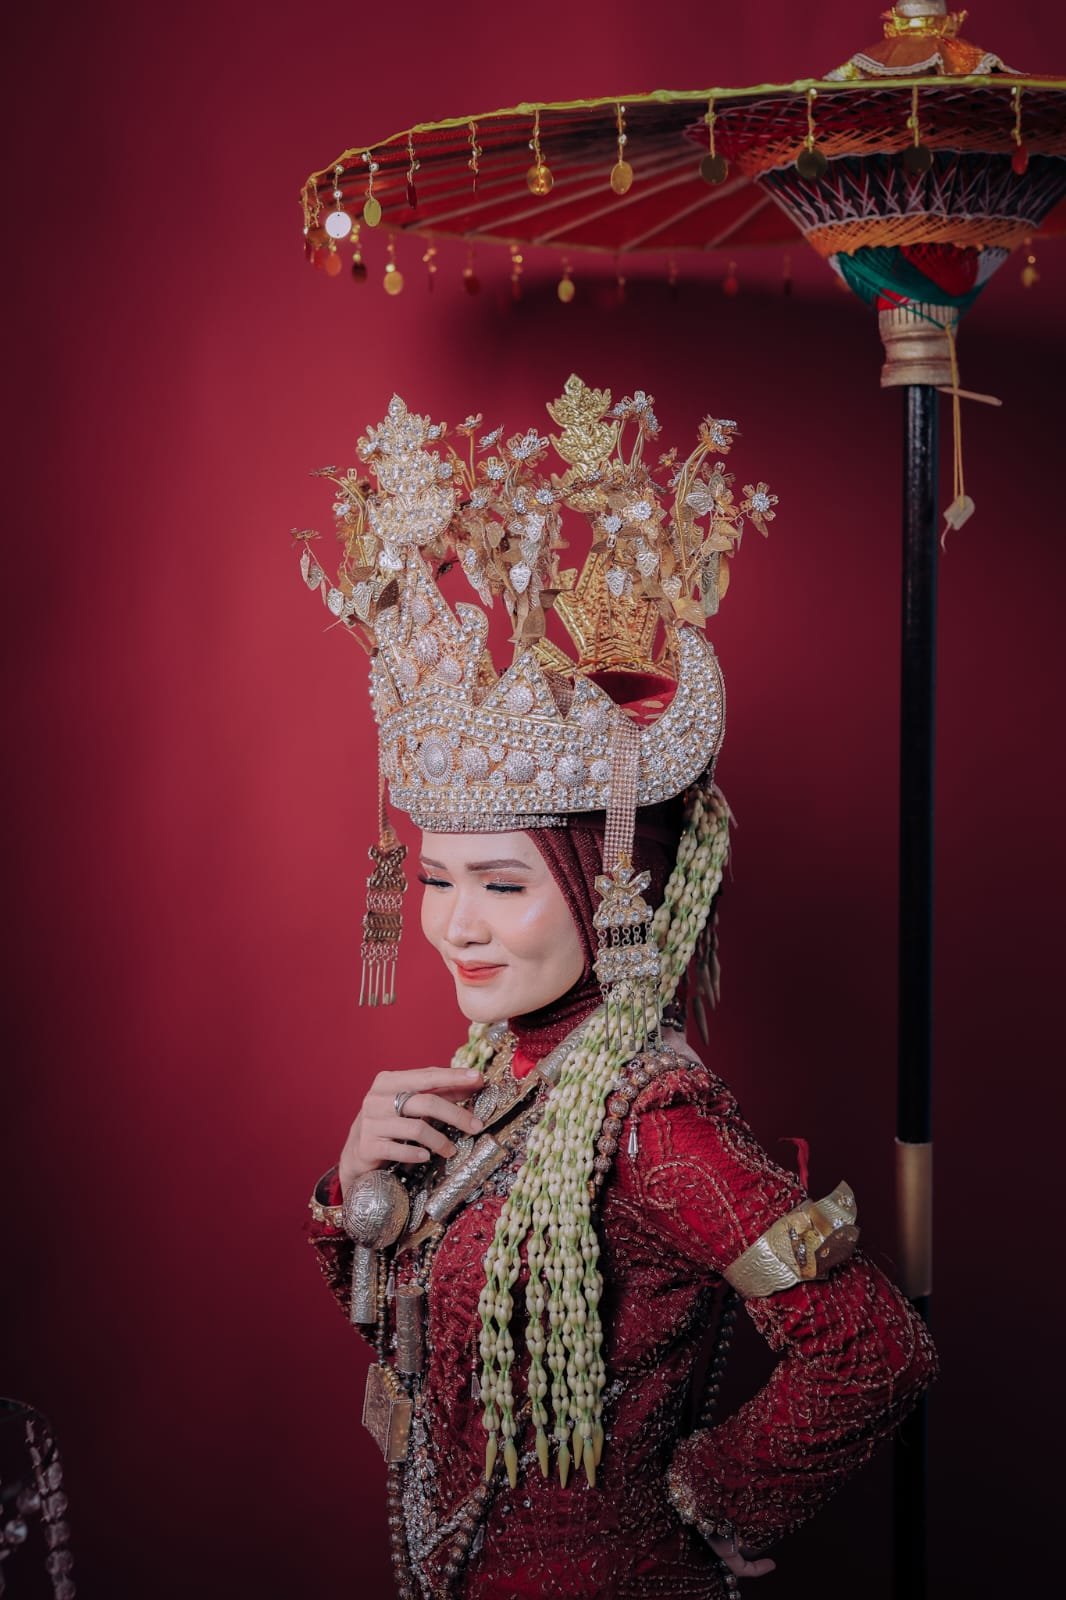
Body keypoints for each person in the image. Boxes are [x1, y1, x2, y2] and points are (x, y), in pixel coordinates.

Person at [300, 379, 937, 1599]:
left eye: (503, 884)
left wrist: (714, 1495)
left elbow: (873, 1350)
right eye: (436, 880)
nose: (456, 925)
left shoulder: (651, 1125)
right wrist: (359, 1192)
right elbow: (432, 1358)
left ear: (610, 895)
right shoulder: (498, 1080)